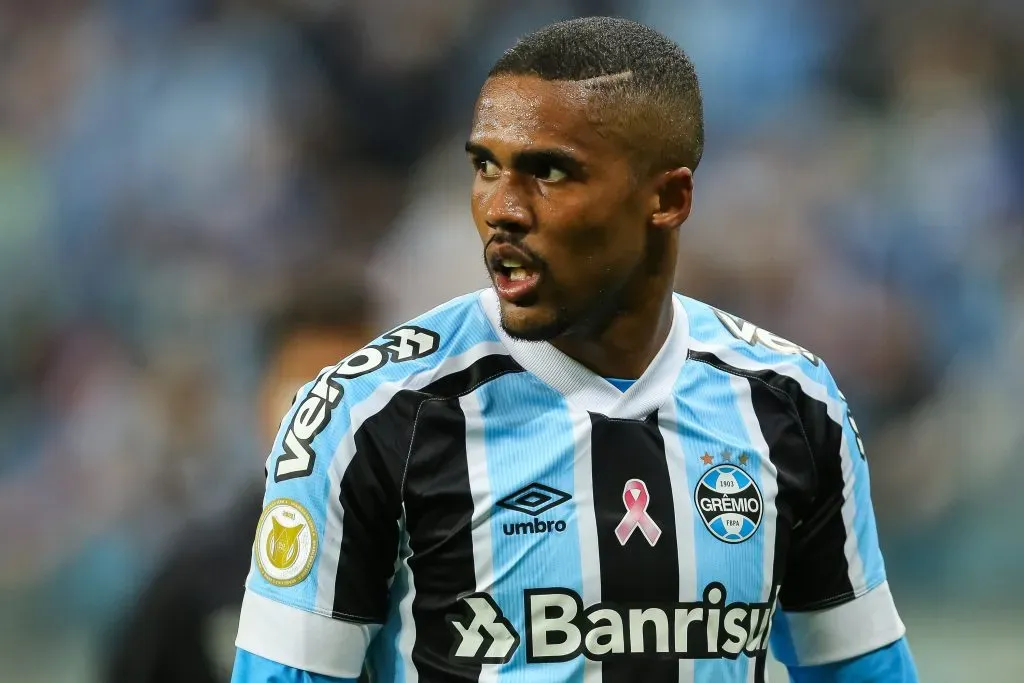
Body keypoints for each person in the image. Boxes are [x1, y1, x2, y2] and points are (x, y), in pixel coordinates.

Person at [231, 17, 919, 683]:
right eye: (485, 165)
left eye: (550, 172)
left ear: (668, 198)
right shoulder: (369, 415)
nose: (501, 206)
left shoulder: (793, 403)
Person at [104, 280, 374, 683]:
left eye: (361, 397)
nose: (331, 425)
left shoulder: (443, 568)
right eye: (307, 397)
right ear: (262, 402)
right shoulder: (193, 585)